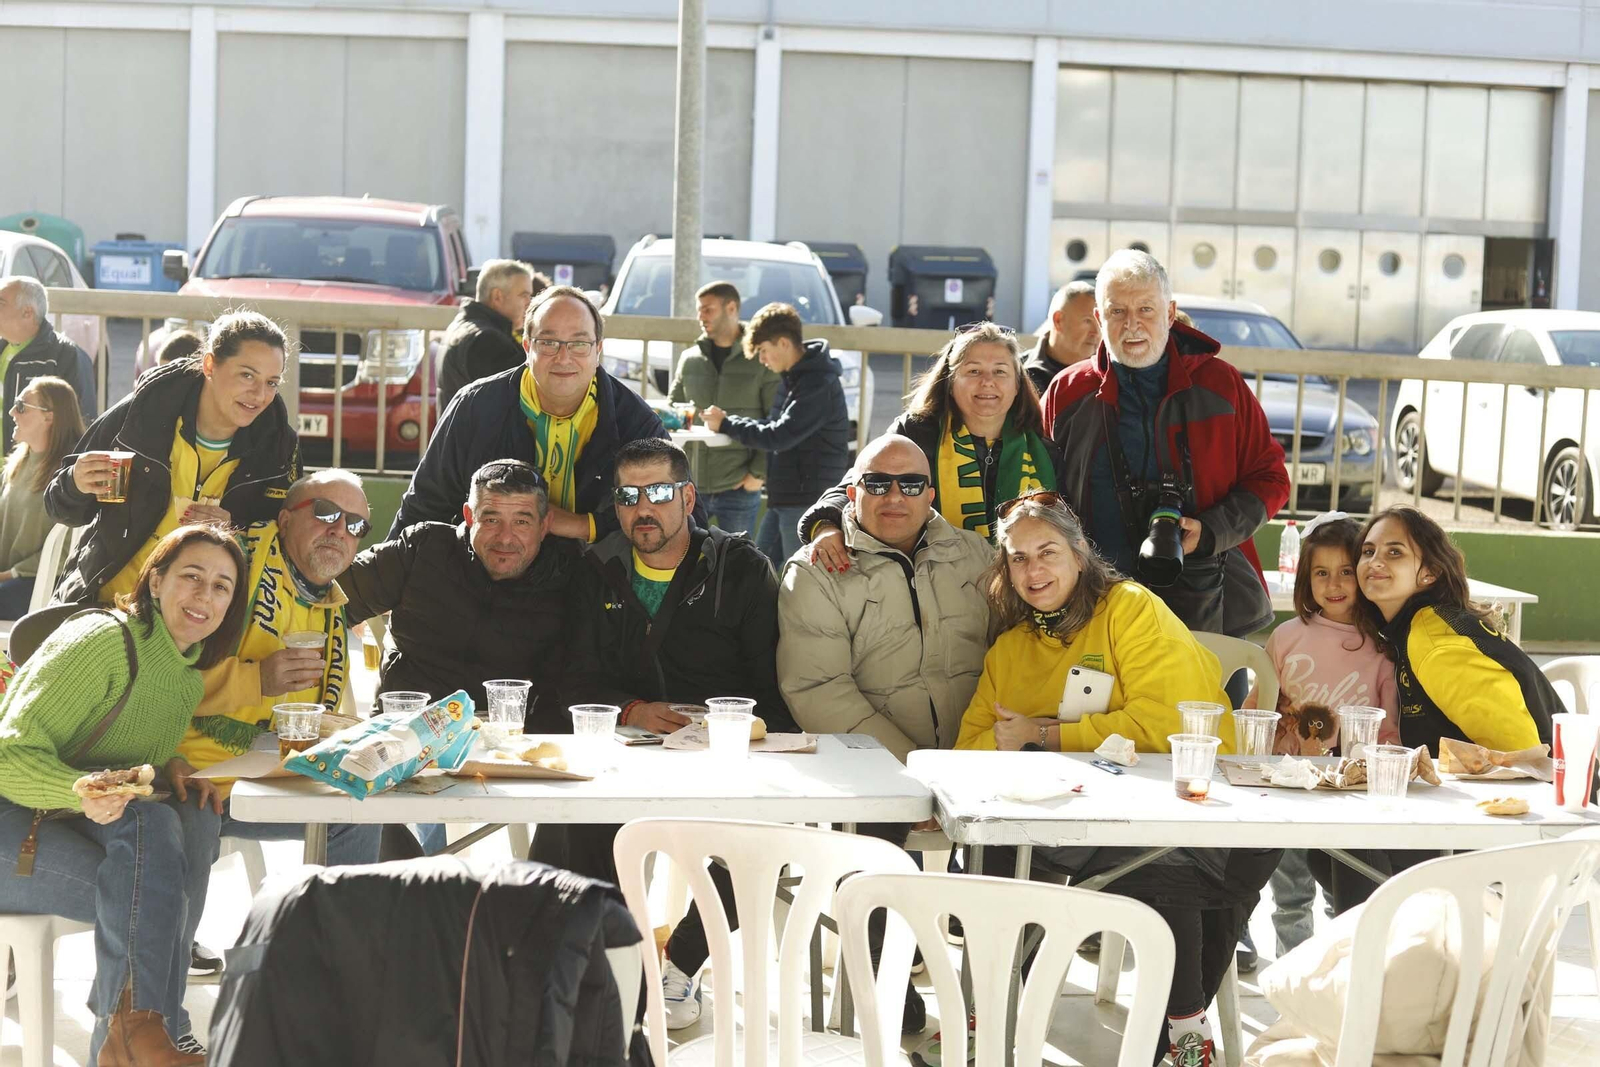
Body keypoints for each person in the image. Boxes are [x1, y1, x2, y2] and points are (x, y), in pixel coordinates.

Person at [954, 493, 1274, 1067]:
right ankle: (991, 1022)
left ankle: (1182, 1035)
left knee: (1165, 854)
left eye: (1047, 552)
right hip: (1069, 820)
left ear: (1079, 554)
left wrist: (1043, 734)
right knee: (994, 846)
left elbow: (1170, 723)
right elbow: (970, 751)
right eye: (1018, 558)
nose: (1033, 570)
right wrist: (1031, 739)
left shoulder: (1129, 608)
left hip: (1184, 808)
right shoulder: (1010, 649)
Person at [540, 438, 795, 1022]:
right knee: (571, 825)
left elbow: (771, 684)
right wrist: (630, 708)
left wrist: (726, 726)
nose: (643, 509)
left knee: (763, 843)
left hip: (721, 754)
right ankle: (604, 967)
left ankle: (679, 961)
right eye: (628, 496)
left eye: (657, 492)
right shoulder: (595, 569)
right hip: (624, 753)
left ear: (688, 498)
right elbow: (572, 679)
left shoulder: (739, 568)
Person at [0, 524, 250, 1065]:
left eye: (221, 586)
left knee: (191, 817)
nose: (205, 596)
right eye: (191, 576)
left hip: (56, 823)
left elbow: (117, 748)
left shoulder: (183, 679)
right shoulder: (101, 642)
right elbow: (7, 752)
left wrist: (171, 767)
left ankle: (140, 1034)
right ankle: (145, 1034)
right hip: (9, 825)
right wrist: (76, 791)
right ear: (155, 581)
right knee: (154, 890)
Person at [777, 433, 994, 1037]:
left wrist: (977, 759)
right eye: (877, 483)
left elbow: (1012, 654)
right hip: (874, 763)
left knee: (1027, 840)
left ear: (931, 493)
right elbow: (818, 690)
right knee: (873, 827)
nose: (893, 496)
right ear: (852, 492)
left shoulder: (977, 557)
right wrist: (914, 775)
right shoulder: (816, 569)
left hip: (974, 757)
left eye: (910, 484)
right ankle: (881, 976)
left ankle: (997, 986)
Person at [1310, 505, 1563, 915]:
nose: (1375, 562)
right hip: (1482, 818)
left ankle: (1378, 946)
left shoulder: (1433, 642)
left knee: (1350, 838)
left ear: (1428, 573)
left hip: (1523, 832)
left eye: (1394, 552)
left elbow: (1524, 758)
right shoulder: (1414, 628)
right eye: (1368, 552)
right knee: (1327, 847)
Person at [1041, 250, 1289, 659]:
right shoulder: (1068, 392)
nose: (1132, 324)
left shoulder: (1220, 384)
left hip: (1207, 603)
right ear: (1099, 319)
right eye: (1117, 311)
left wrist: (1211, 532)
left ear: (1170, 313)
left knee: (1204, 698)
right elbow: (1043, 494)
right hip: (1096, 607)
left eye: (1146, 309)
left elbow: (1271, 479)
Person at [180, 470, 379, 868]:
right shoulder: (228, 571)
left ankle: (329, 913)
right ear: (285, 520)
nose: (340, 530)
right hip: (193, 773)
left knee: (362, 813)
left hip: (273, 776)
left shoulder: (330, 606)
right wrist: (255, 679)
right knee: (187, 824)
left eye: (356, 525)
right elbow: (159, 680)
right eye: (326, 512)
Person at [391, 285, 692, 541]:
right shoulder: (474, 407)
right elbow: (422, 508)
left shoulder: (633, 419)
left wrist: (583, 526)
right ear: (526, 346)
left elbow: (682, 520)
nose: (563, 357)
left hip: (596, 578)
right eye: (548, 343)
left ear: (598, 349)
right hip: (487, 577)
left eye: (579, 344)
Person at [46, 310, 301, 608]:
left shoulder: (279, 447)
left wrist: (237, 532)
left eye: (272, 382)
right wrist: (76, 483)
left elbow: (285, 546)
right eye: (247, 375)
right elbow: (60, 507)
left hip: (204, 618)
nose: (259, 394)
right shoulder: (141, 411)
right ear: (209, 365)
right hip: (107, 603)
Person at [1242, 512, 1399, 957]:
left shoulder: (1381, 648)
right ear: (1305, 579)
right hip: (1288, 785)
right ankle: (1294, 973)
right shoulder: (1286, 637)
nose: (1334, 584)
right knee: (1290, 898)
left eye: (1346, 571)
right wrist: (1276, 723)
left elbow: (1389, 730)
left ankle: (1337, 974)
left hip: (1346, 797)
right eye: (1321, 573)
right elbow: (1257, 709)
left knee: (1342, 898)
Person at [801, 322, 1057, 571]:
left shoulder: (1043, 452)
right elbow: (857, 484)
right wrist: (825, 526)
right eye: (973, 371)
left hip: (1022, 583)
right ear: (950, 382)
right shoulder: (915, 434)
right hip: (931, 581)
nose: (987, 381)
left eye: (1000, 371)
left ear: (1017, 385)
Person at [342, 458, 577, 722]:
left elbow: (582, 684)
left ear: (544, 526)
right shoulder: (422, 549)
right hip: (403, 729)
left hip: (509, 736)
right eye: (491, 519)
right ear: (469, 516)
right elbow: (330, 595)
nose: (505, 538)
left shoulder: (565, 581)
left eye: (522, 522)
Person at [699, 302, 849, 567]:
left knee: (798, 575)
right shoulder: (795, 378)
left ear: (783, 343)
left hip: (806, 499)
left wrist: (726, 424)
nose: (762, 360)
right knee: (758, 569)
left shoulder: (817, 383)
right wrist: (728, 422)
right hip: (787, 495)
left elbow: (780, 435)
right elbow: (774, 427)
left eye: (763, 351)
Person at [667, 281, 778, 534]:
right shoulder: (690, 359)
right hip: (691, 486)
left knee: (738, 557)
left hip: (739, 485)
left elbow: (775, 419)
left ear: (731, 308)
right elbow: (673, 414)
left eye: (708, 309)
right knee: (685, 555)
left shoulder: (760, 358)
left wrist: (757, 475)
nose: (701, 317)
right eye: (699, 310)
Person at [0, 376, 84, 618]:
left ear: (49, 417)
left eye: (21, 406)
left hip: (43, 584)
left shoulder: (71, 473)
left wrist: (9, 574)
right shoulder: (18, 463)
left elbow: (67, 549)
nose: (12, 412)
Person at [437, 259, 549, 410]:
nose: (530, 303)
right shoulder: (486, 340)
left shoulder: (465, 327)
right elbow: (519, 399)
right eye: (524, 295)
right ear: (497, 296)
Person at [0, 276, 95, 450]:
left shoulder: (66, 356)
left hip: (34, 466)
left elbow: (79, 429)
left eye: (1, 303)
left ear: (27, 312)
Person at [1022, 280, 1098, 397]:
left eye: (1100, 322)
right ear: (1058, 320)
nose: (1096, 332)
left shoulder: (1109, 375)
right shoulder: (1018, 373)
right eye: (1087, 321)